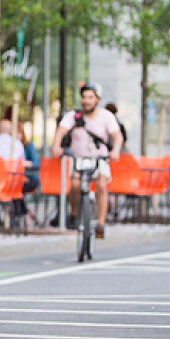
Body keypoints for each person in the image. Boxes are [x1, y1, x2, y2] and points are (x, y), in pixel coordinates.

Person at [51, 82, 122, 239]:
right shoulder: (73, 116)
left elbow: (117, 135)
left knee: (101, 185)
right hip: (79, 158)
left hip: (99, 157)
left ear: (97, 99)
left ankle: (101, 224)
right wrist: (56, 146)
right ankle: (75, 213)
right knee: (75, 185)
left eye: (90, 97)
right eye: (84, 97)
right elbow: (61, 131)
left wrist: (115, 150)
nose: (86, 101)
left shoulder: (106, 116)